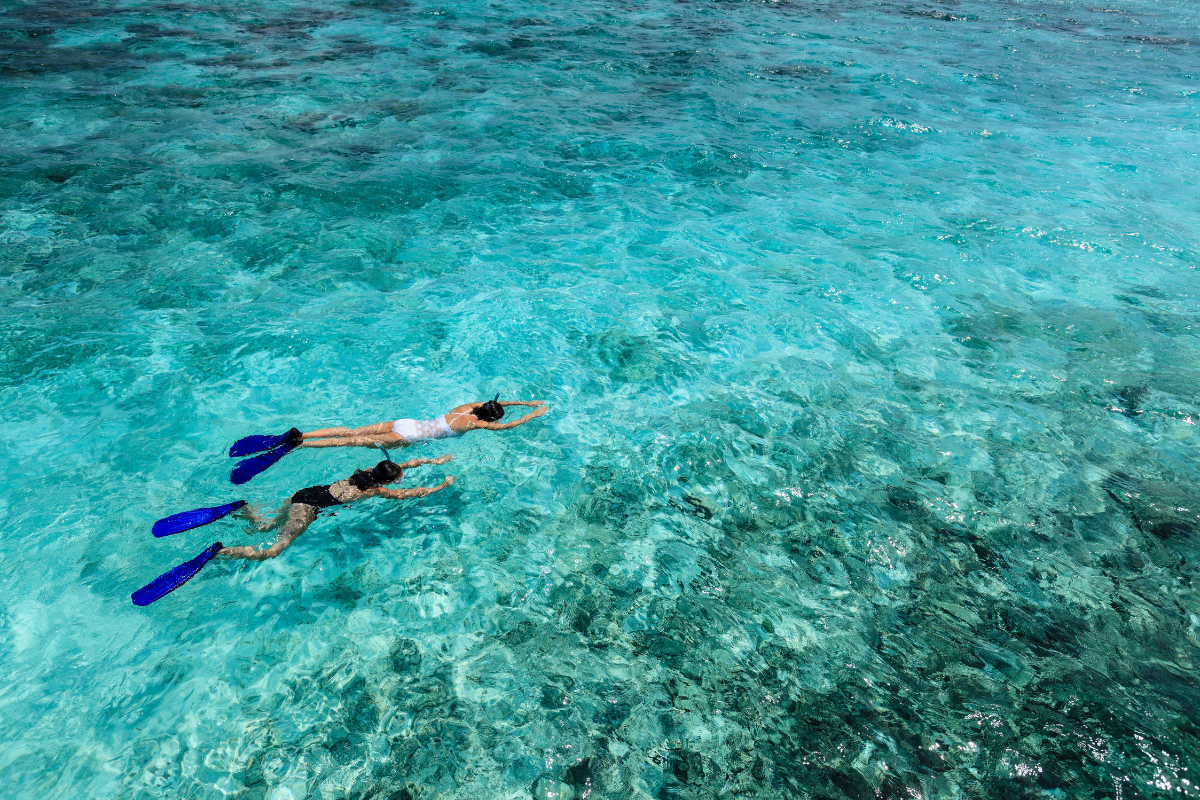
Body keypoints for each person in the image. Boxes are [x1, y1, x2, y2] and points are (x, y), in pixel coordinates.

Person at [220, 455, 455, 561]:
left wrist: (433, 461)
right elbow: (406, 495)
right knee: (272, 551)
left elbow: (399, 465)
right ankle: (219, 552)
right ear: (386, 482)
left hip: (303, 493)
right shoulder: (376, 490)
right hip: (306, 510)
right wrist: (440, 486)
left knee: (265, 526)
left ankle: (243, 509)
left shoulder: (367, 471)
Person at [297, 396, 548, 450]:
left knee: (350, 432)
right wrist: (531, 415)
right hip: (407, 438)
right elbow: (506, 427)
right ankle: (301, 446)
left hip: (406, 423)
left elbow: (494, 402)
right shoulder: (476, 424)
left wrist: (524, 403)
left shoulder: (466, 408)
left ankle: (304, 435)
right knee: (350, 444)